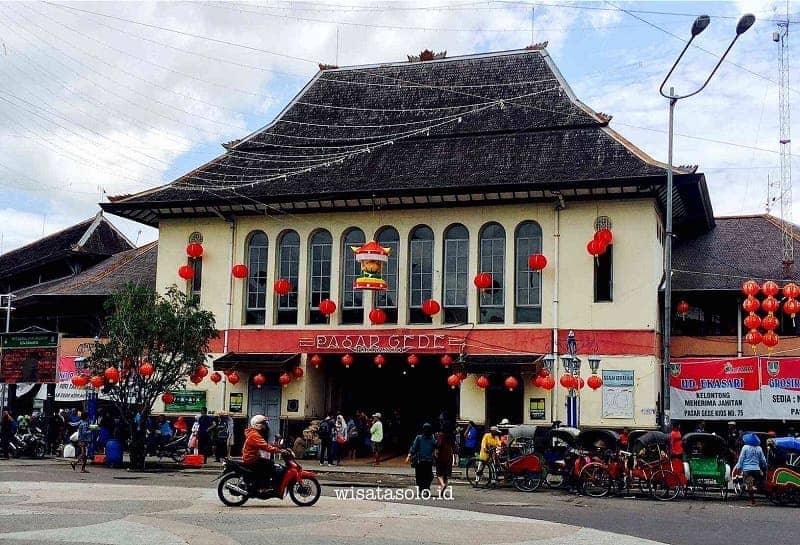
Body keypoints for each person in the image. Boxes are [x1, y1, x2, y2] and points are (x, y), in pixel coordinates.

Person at [242, 415, 286, 494]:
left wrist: (275, 447)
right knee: (270, 465)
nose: (265, 426)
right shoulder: (254, 435)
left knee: (268, 464)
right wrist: (280, 451)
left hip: (252, 457)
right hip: (252, 459)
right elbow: (266, 447)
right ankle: (263, 487)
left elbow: (264, 444)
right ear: (257, 425)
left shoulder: (254, 433)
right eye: (264, 424)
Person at [734, 433, 767, 507]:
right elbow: (763, 459)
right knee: (760, 483)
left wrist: (738, 467)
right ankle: (764, 494)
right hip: (756, 469)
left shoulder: (745, 447)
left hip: (747, 470)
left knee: (749, 486)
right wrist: (766, 465)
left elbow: (741, 458)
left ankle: (753, 502)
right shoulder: (759, 448)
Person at [407, 423, 437, 491]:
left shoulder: (419, 437)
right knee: (428, 475)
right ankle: (426, 487)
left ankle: (421, 488)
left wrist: (410, 455)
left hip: (420, 460)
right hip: (428, 460)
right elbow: (436, 447)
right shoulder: (432, 439)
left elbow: (414, 448)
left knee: (420, 475)